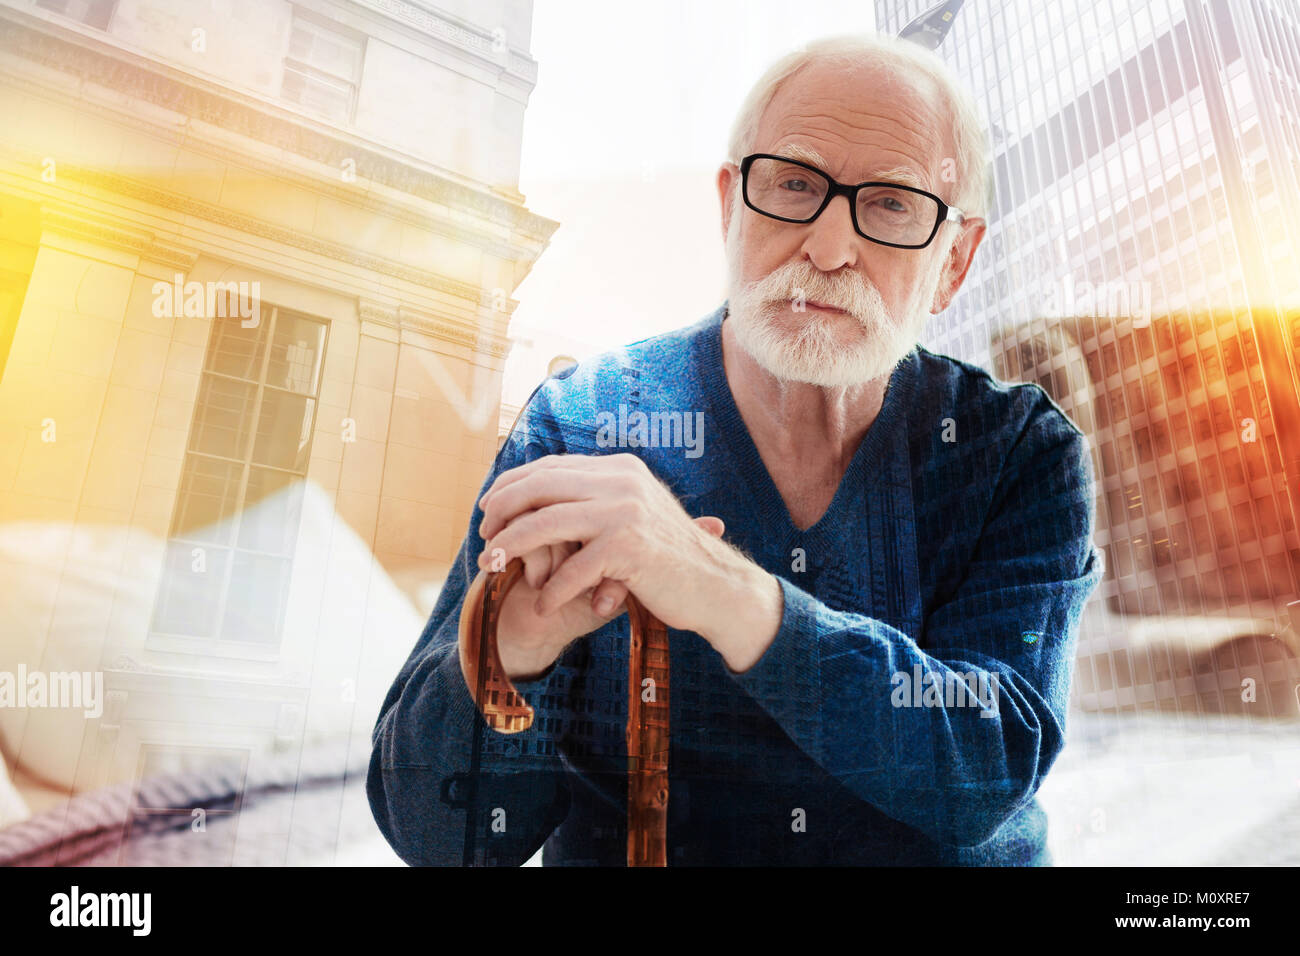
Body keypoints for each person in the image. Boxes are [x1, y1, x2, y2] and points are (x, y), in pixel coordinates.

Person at [367, 32, 1102, 866]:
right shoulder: (581, 427)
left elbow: (983, 770)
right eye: (793, 184)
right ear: (730, 204)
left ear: (955, 261)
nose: (828, 248)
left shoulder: (1019, 454)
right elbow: (439, 837)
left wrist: (723, 592)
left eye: (892, 204)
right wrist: (512, 658)